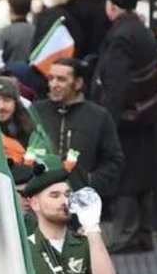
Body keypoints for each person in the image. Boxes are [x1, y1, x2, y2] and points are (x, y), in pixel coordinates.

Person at [91, 0, 157, 254]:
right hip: (143, 114)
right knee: (142, 173)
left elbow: (116, 83)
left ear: (112, 6)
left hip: (125, 117)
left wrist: (106, 120)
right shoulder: (140, 30)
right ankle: (143, 232)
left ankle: (126, 235)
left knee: (125, 175)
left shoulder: (121, 35)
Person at [32, 59, 125, 200]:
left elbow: (114, 160)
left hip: (81, 201)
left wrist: (90, 181)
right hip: (41, 198)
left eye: (61, 79)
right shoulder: (36, 112)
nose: (54, 84)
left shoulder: (98, 116)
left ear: (78, 83)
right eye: (51, 78)